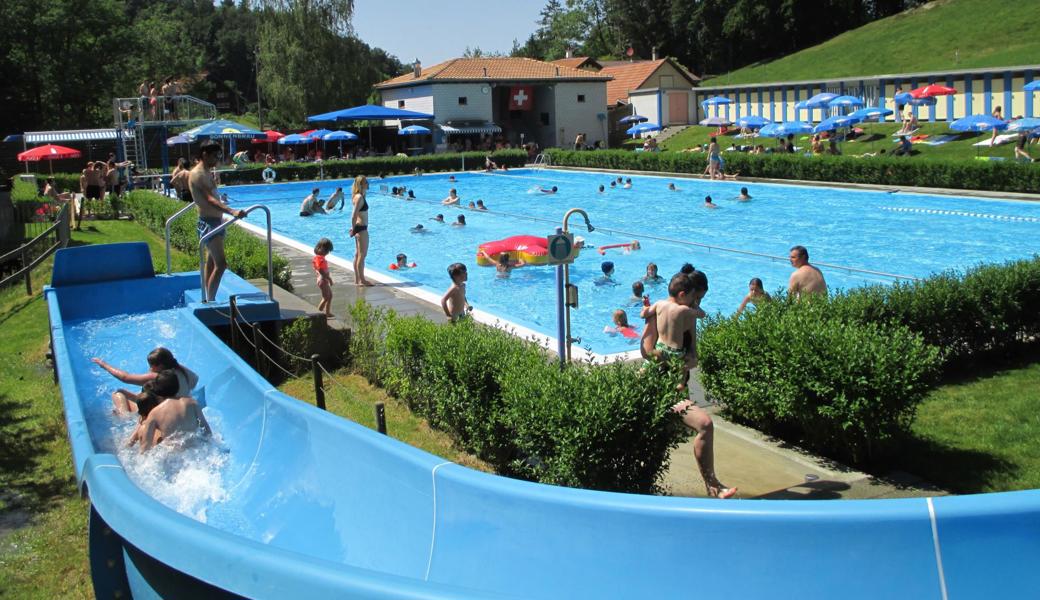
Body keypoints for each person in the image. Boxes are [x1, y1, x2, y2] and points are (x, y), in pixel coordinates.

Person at [640, 271, 735, 498]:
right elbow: (646, 350)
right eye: (696, 299)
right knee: (704, 424)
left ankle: (712, 486)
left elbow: (693, 355)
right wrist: (665, 361)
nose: (698, 304)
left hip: (677, 383)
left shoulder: (683, 314)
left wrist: (688, 361)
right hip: (661, 383)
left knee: (697, 427)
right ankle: (713, 486)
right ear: (686, 295)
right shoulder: (675, 311)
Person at [190, 141, 247, 301]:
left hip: (216, 221)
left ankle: (207, 298)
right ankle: (211, 300)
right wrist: (232, 211)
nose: (218, 159)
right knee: (221, 265)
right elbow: (209, 199)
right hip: (208, 223)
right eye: (215, 155)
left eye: (219, 155)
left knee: (211, 263)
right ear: (205, 154)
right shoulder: (198, 174)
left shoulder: (208, 171)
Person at [93, 347, 198, 414]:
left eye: (151, 366)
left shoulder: (158, 377)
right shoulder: (181, 369)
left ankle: (124, 417)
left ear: (160, 366)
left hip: (161, 411)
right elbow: (195, 380)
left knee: (118, 393)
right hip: (183, 409)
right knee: (141, 394)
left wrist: (104, 365)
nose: (150, 369)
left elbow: (125, 377)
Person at [127, 376, 212, 452]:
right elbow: (207, 431)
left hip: (174, 454)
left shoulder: (155, 413)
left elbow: (145, 447)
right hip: (196, 450)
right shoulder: (192, 403)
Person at [349, 175, 372, 286]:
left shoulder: (358, 196)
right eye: (366, 182)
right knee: (362, 255)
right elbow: (353, 216)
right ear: (361, 184)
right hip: (361, 229)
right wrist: (353, 230)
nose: (368, 183)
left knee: (358, 254)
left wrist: (354, 228)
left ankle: (357, 279)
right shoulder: (359, 197)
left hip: (359, 227)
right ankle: (362, 280)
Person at [313, 238, 334, 318]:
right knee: (325, 298)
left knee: (330, 296)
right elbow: (320, 269)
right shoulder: (318, 258)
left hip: (324, 280)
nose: (327, 253)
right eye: (327, 250)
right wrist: (329, 279)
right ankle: (318, 314)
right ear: (320, 248)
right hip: (322, 280)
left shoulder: (320, 257)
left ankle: (327, 313)